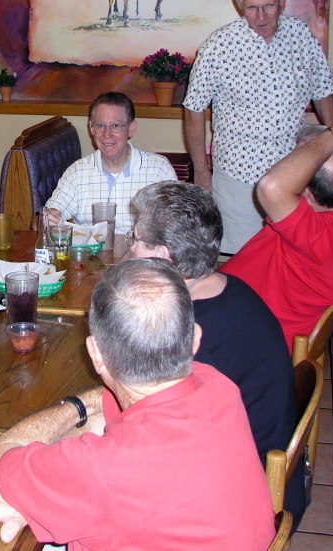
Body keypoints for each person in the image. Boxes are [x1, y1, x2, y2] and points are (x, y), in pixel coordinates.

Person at [0, 258, 275, 550]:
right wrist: (45, 496)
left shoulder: (106, 469)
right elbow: (104, 409)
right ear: (195, 339)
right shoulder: (216, 383)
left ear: (95, 355)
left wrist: (31, 499)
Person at [129, 180, 305, 526]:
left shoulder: (196, 338)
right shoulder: (230, 289)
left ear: (163, 257)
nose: (131, 250)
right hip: (263, 464)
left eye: (136, 239)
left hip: (245, 497)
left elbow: (152, 437)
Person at [183, 0, 333, 253]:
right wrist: (202, 173)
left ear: (282, 1)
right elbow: (194, 110)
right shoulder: (219, 46)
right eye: (252, 8)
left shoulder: (302, 37)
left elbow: (324, 93)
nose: (261, 16)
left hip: (292, 175)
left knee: (290, 258)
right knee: (240, 262)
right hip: (237, 178)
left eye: (268, 7)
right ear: (240, 4)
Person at [222, 124, 333, 351]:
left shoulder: (317, 233)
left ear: (305, 193)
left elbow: (271, 186)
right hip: (240, 320)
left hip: (243, 343)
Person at [46, 91, 176, 233]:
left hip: (140, 252)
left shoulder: (158, 170)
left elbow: (177, 225)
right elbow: (46, 218)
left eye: (115, 126)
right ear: (91, 128)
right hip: (90, 254)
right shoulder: (77, 172)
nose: (107, 134)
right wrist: (48, 218)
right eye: (100, 125)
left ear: (131, 129)